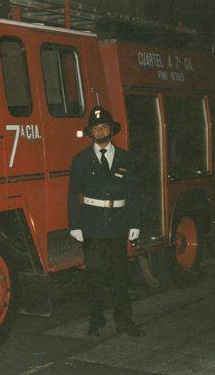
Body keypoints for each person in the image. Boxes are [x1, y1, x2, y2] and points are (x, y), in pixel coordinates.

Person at [67, 106, 145, 338]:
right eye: (95, 128)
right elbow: (72, 195)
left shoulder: (125, 158)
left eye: (104, 127)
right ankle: (96, 322)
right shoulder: (80, 160)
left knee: (120, 277)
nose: (100, 131)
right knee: (94, 278)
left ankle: (125, 322)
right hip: (91, 225)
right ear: (90, 133)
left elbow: (132, 193)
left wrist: (135, 223)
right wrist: (75, 226)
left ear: (111, 130)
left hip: (118, 224)